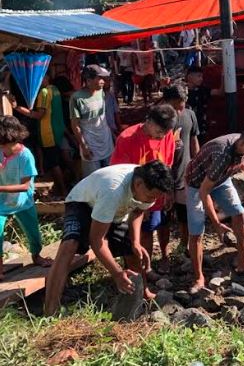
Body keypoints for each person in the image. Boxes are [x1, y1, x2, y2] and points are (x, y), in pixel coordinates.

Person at [44, 161, 173, 315]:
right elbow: (97, 240)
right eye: (150, 196)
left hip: (117, 211)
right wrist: (117, 273)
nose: (151, 200)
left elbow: (138, 210)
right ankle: (50, 309)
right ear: (138, 184)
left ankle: (142, 292)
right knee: (69, 245)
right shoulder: (113, 190)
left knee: (133, 251)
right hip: (83, 202)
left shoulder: (149, 188)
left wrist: (135, 241)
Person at [185, 126, 244, 292]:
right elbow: (204, 191)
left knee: (239, 213)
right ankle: (198, 277)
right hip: (197, 184)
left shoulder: (240, 141)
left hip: (221, 179)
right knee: (196, 231)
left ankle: (242, 261)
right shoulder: (222, 156)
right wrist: (216, 223)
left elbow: (241, 159)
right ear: (243, 144)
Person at [110, 104, 177, 277]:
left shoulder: (167, 135)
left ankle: (164, 255)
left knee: (163, 224)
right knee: (144, 231)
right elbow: (119, 175)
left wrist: (169, 191)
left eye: (165, 133)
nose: (162, 136)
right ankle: (143, 270)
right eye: (159, 132)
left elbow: (168, 163)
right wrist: (138, 204)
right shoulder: (127, 138)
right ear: (149, 121)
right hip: (138, 196)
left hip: (159, 190)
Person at [0, 116, 53, 280]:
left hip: (23, 202)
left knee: (33, 234)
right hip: (2, 203)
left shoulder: (25, 156)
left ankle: (36, 256)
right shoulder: (1, 151)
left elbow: (24, 186)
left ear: (9, 138)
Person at [12, 73, 66, 196]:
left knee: (53, 164)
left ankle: (63, 192)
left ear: (45, 78)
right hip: (57, 130)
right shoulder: (55, 89)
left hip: (48, 132)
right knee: (57, 161)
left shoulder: (44, 92)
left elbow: (38, 115)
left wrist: (16, 107)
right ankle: (61, 189)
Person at [162, 84, 199, 250]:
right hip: (164, 176)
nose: (178, 111)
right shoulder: (159, 120)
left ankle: (185, 248)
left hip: (184, 175)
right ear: (166, 101)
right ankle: (164, 253)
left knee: (185, 217)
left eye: (181, 106)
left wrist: (196, 162)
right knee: (164, 219)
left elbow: (193, 139)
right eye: (174, 106)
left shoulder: (190, 114)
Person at [70, 65, 114, 178]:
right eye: (99, 78)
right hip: (90, 146)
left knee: (109, 175)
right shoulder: (77, 98)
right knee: (93, 179)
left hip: (106, 142)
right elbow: (75, 125)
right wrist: (84, 146)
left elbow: (103, 118)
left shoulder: (101, 92)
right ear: (88, 80)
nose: (103, 81)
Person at [186, 65, 220, 144]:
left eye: (202, 76)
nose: (201, 79)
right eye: (198, 76)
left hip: (201, 127)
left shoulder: (203, 90)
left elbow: (219, 92)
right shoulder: (182, 91)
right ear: (190, 76)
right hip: (187, 127)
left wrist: (224, 76)